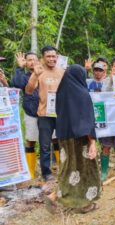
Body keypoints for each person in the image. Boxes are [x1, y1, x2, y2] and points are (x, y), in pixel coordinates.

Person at [44, 65, 100, 214]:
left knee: (68, 169)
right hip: (79, 140)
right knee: (83, 170)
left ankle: (55, 195)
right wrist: (92, 142)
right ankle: (81, 204)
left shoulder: (61, 93)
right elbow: (87, 121)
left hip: (64, 138)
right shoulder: (82, 94)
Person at [25, 46, 64, 182]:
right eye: (48, 56)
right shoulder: (39, 71)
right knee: (45, 145)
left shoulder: (62, 72)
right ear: (43, 58)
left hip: (61, 114)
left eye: (54, 56)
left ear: (57, 57)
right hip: (44, 114)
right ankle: (46, 173)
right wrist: (35, 75)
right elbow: (29, 91)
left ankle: (65, 169)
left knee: (63, 142)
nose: (51, 59)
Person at [11, 52, 40, 178]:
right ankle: (31, 172)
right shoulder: (24, 76)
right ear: (26, 63)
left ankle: (57, 169)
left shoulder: (44, 73)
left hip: (47, 113)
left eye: (34, 59)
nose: (32, 62)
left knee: (54, 139)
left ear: (38, 61)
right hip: (31, 112)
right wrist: (19, 67)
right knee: (31, 141)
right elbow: (16, 84)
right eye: (29, 60)